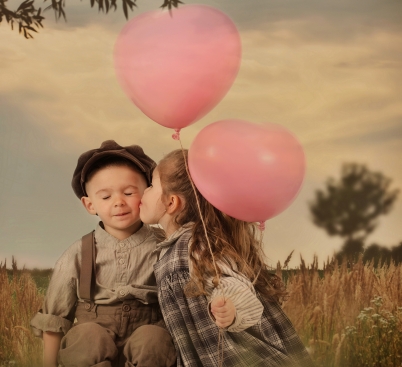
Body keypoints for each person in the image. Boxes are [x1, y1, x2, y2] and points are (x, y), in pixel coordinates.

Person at [139, 149, 315, 367]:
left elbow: (234, 285)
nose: (143, 192)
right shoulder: (175, 246)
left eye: (151, 186)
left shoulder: (194, 245)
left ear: (172, 202)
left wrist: (231, 306)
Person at [30, 140, 177, 367]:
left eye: (129, 192)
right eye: (106, 197)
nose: (119, 202)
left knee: (154, 339)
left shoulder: (166, 245)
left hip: (147, 339)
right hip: (93, 346)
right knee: (88, 337)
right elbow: (54, 319)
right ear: (90, 205)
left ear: (147, 193)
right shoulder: (78, 253)